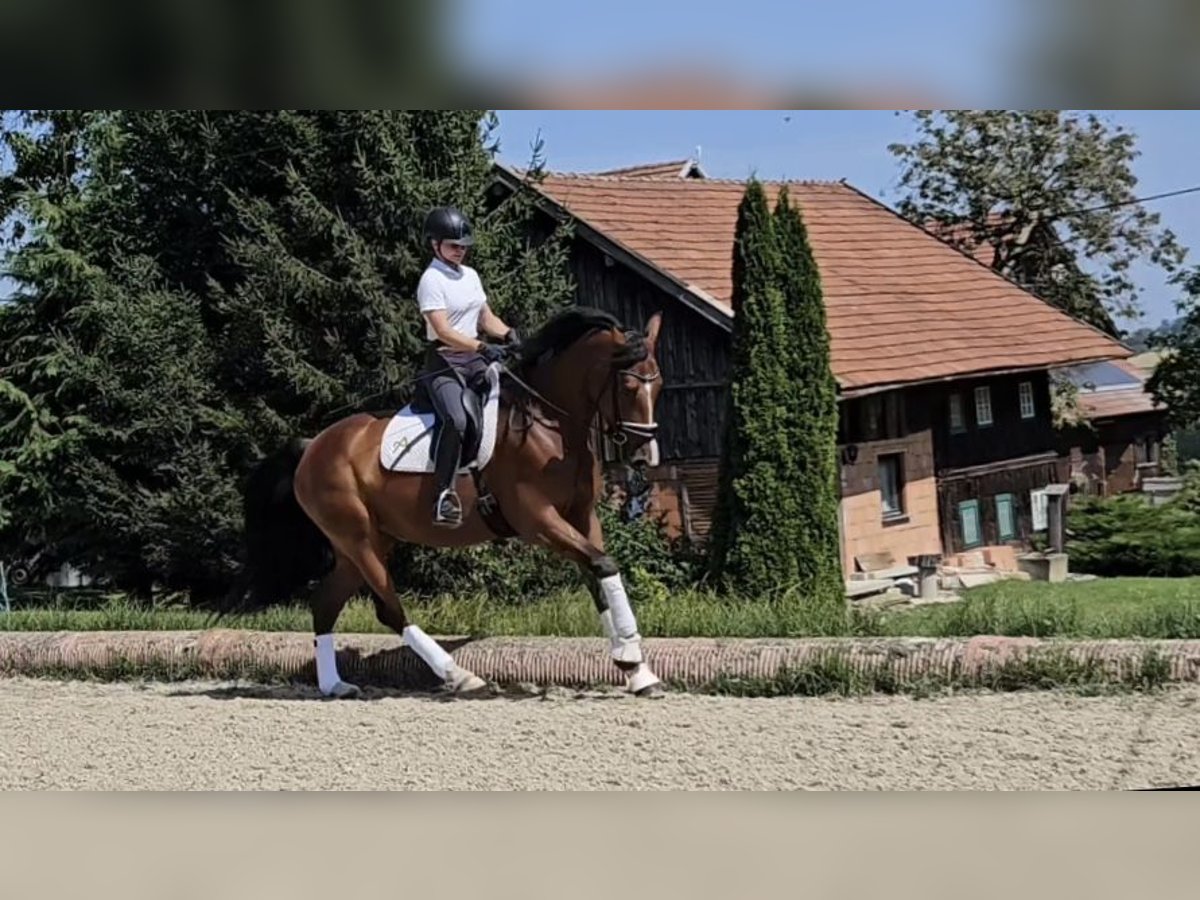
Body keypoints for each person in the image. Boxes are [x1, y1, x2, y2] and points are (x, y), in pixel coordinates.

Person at [415, 205, 519, 528]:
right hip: (445, 361)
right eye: (453, 246)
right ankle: (443, 495)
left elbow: (484, 317)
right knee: (457, 420)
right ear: (435, 245)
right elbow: (443, 330)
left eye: (463, 246)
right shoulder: (431, 280)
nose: (460, 251)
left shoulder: (470, 276)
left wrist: (508, 333)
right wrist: (481, 346)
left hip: (475, 358)